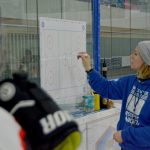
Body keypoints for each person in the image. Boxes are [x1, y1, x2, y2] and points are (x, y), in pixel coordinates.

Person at [77, 41, 150, 150]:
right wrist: (89, 68)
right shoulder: (130, 82)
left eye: (135, 54)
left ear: (146, 60)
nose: (131, 56)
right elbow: (107, 87)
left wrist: (125, 136)